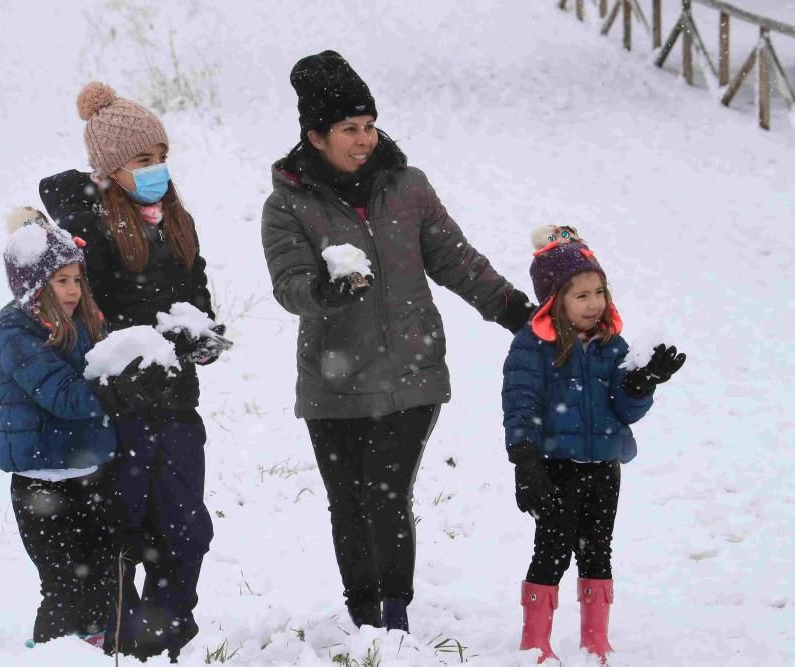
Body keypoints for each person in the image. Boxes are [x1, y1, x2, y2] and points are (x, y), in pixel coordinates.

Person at [260, 50, 535, 633]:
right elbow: (288, 286)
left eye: (369, 126)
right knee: (348, 501)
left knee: (384, 493)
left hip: (412, 373)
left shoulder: (407, 188)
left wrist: (516, 313)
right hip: (332, 381)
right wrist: (325, 290)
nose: (363, 140)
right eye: (348, 129)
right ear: (315, 135)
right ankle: (364, 617)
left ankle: (394, 617)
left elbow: (456, 261)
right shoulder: (288, 204)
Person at [39, 82, 216, 661]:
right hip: (119, 411)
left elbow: (199, 296)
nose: (156, 170)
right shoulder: (88, 232)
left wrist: (201, 335)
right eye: (143, 160)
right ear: (111, 167)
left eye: (161, 157)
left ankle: (167, 631)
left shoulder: (177, 222)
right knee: (122, 529)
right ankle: (122, 636)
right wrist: (128, 354)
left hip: (176, 403)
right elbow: (82, 315)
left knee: (186, 529)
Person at [501, 233, 686, 663]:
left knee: (597, 549)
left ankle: (595, 639)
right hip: (554, 467)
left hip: (604, 466)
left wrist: (640, 385)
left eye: (599, 292)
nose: (593, 303)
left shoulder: (612, 345)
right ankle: (535, 641)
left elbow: (625, 410)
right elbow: (519, 404)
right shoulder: (533, 345)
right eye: (580, 295)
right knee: (551, 549)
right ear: (555, 300)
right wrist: (526, 461)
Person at [0, 206, 116, 648]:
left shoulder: (88, 323)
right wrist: (121, 390)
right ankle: (51, 655)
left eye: (76, 280)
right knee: (63, 588)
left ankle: (100, 650)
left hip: (89, 475)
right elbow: (63, 394)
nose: (71, 290)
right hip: (40, 484)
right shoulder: (16, 329)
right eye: (60, 281)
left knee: (103, 582)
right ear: (33, 285)